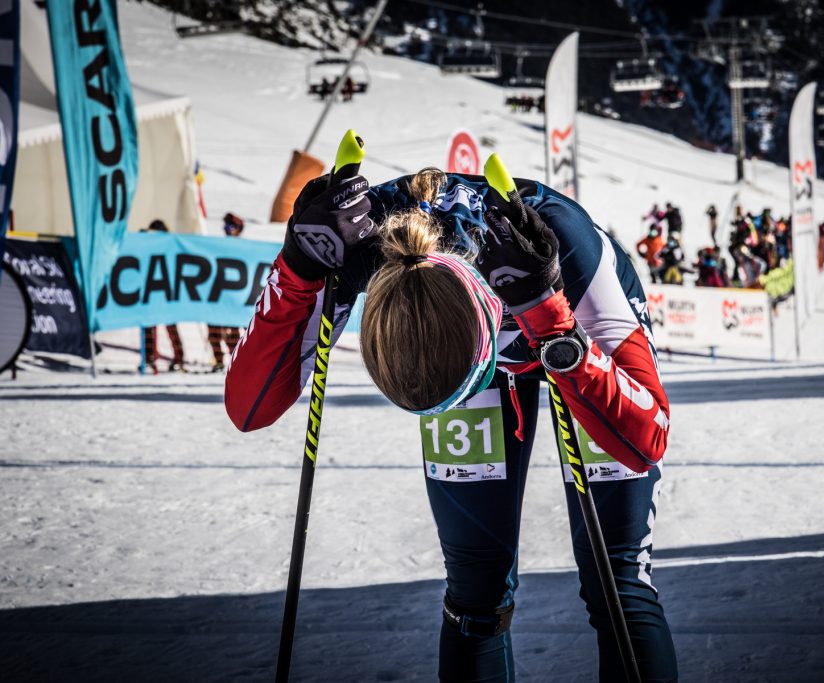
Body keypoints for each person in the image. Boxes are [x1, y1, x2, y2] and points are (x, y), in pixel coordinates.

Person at [225, 166, 678, 682]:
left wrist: (550, 319)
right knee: (475, 595)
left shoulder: (560, 242)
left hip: (564, 308)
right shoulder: (362, 244)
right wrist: (298, 268)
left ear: (483, 336)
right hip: (488, 327)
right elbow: (248, 408)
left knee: (617, 582)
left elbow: (645, 439)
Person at [141, 220, 185, 373]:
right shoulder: (147, 248)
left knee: (171, 327)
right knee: (149, 327)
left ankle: (179, 359)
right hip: (152, 292)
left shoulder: (170, 246)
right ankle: (149, 358)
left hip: (167, 294)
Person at [208, 213, 245, 371]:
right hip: (218, 296)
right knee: (213, 330)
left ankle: (236, 360)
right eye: (225, 227)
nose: (228, 231)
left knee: (234, 332)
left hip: (234, 297)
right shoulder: (219, 246)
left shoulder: (244, 248)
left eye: (231, 227)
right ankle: (218, 360)